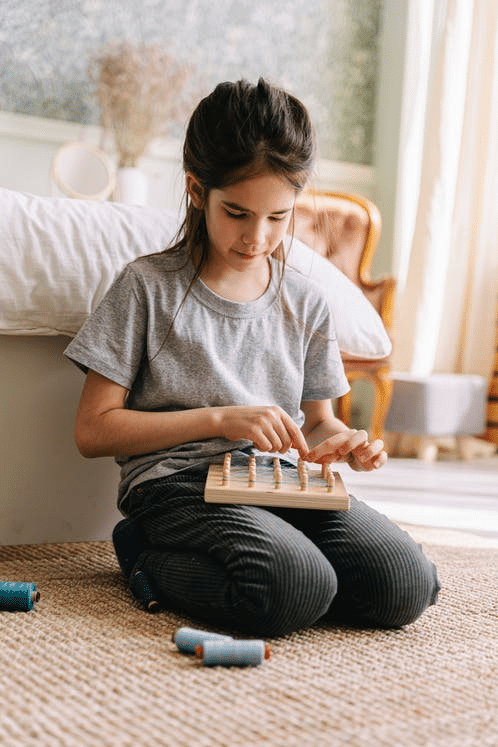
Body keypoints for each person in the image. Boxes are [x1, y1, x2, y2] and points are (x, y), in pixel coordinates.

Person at [65, 78, 439, 637]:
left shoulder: (306, 298)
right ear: (197, 190)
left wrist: (342, 440)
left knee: (405, 584)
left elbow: (317, 419)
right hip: (178, 483)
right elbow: (93, 431)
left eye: (278, 217)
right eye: (237, 213)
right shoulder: (146, 287)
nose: (256, 237)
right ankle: (141, 551)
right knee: (291, 586)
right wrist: (221, 418)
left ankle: (298, 575)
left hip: (278, 478)